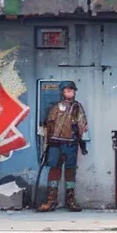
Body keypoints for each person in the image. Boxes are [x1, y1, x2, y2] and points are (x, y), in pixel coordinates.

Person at [38, 81, 89, 212]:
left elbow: (82, 124)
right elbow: (48, 124)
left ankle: (70, 200)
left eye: (71, 90)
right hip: (55, 143)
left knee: (70, 170)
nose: (69, 93)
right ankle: (51, 200)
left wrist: (83, 142)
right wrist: (46, 143)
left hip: (71, 142)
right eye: (66, 90)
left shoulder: (77, 107)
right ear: (62, 92)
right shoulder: (55, 108)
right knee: (54, 170)